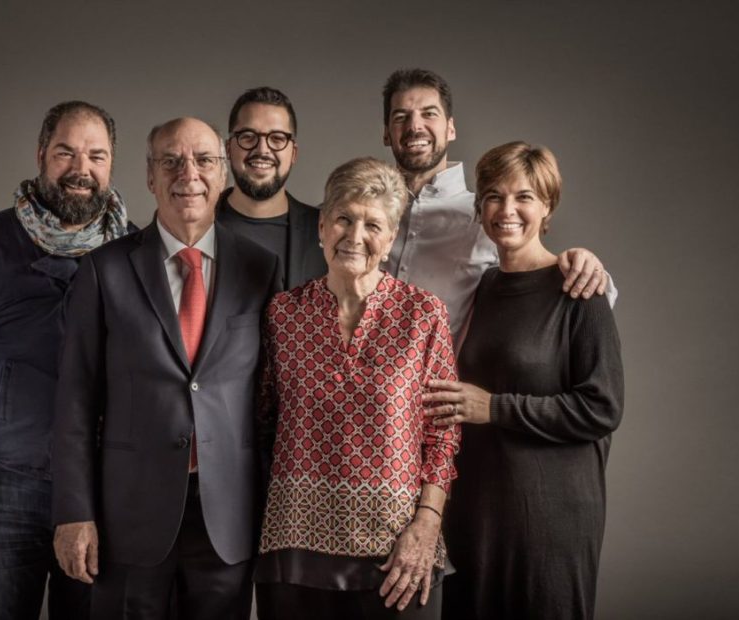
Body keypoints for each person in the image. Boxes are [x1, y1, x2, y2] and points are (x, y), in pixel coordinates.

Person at [51, 117, 282, 619]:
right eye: (171, 161)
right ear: (150, 176)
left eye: (203, 161)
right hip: (129, 516)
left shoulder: (260, 270)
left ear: (223, 174)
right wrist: (74, 513)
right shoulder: (103, 270)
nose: (188, 175)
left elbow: (272, 404)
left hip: (228, 515)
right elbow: (73, 402)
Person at [0, 100, 133, 619]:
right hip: (5, 484)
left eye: (97, 156)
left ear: (111, 166)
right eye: (66, 152)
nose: (82, 169)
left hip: (103, 488)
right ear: (40, 155)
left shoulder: (133, 251)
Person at [254, 157, 460, 620]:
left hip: (397, 554)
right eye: (344, 218)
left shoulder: (424, 315)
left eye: (373, 224)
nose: (355, 235)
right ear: (322, 227)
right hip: (293, 549)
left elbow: (443, 435)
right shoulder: (283, 314)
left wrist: (427, 523)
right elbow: (262, 421)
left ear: (389, 240)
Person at [426, 142, 624, 619]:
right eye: (493, 196)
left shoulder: (579, 289)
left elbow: (602, 407)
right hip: (478, 509)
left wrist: (492, 407)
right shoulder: (486, 287)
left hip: (551, 517)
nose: (506, 209)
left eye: (524, 197)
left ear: (548, 206)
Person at [380, 68, 616, 337]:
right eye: (401, 117)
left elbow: (545, 281)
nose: (415, 126)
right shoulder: (362, 215)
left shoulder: (488, 216)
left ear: (451, 128)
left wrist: (588, 268)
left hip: (442, 377)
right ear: (386, 133)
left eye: (429, 114)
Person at [217, 86, 326, 289]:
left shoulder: (325, 232)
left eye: (277, 138)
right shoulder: (196, 227)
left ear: (293, 153)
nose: (262, 150)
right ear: (228, 148)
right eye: (248, 136)